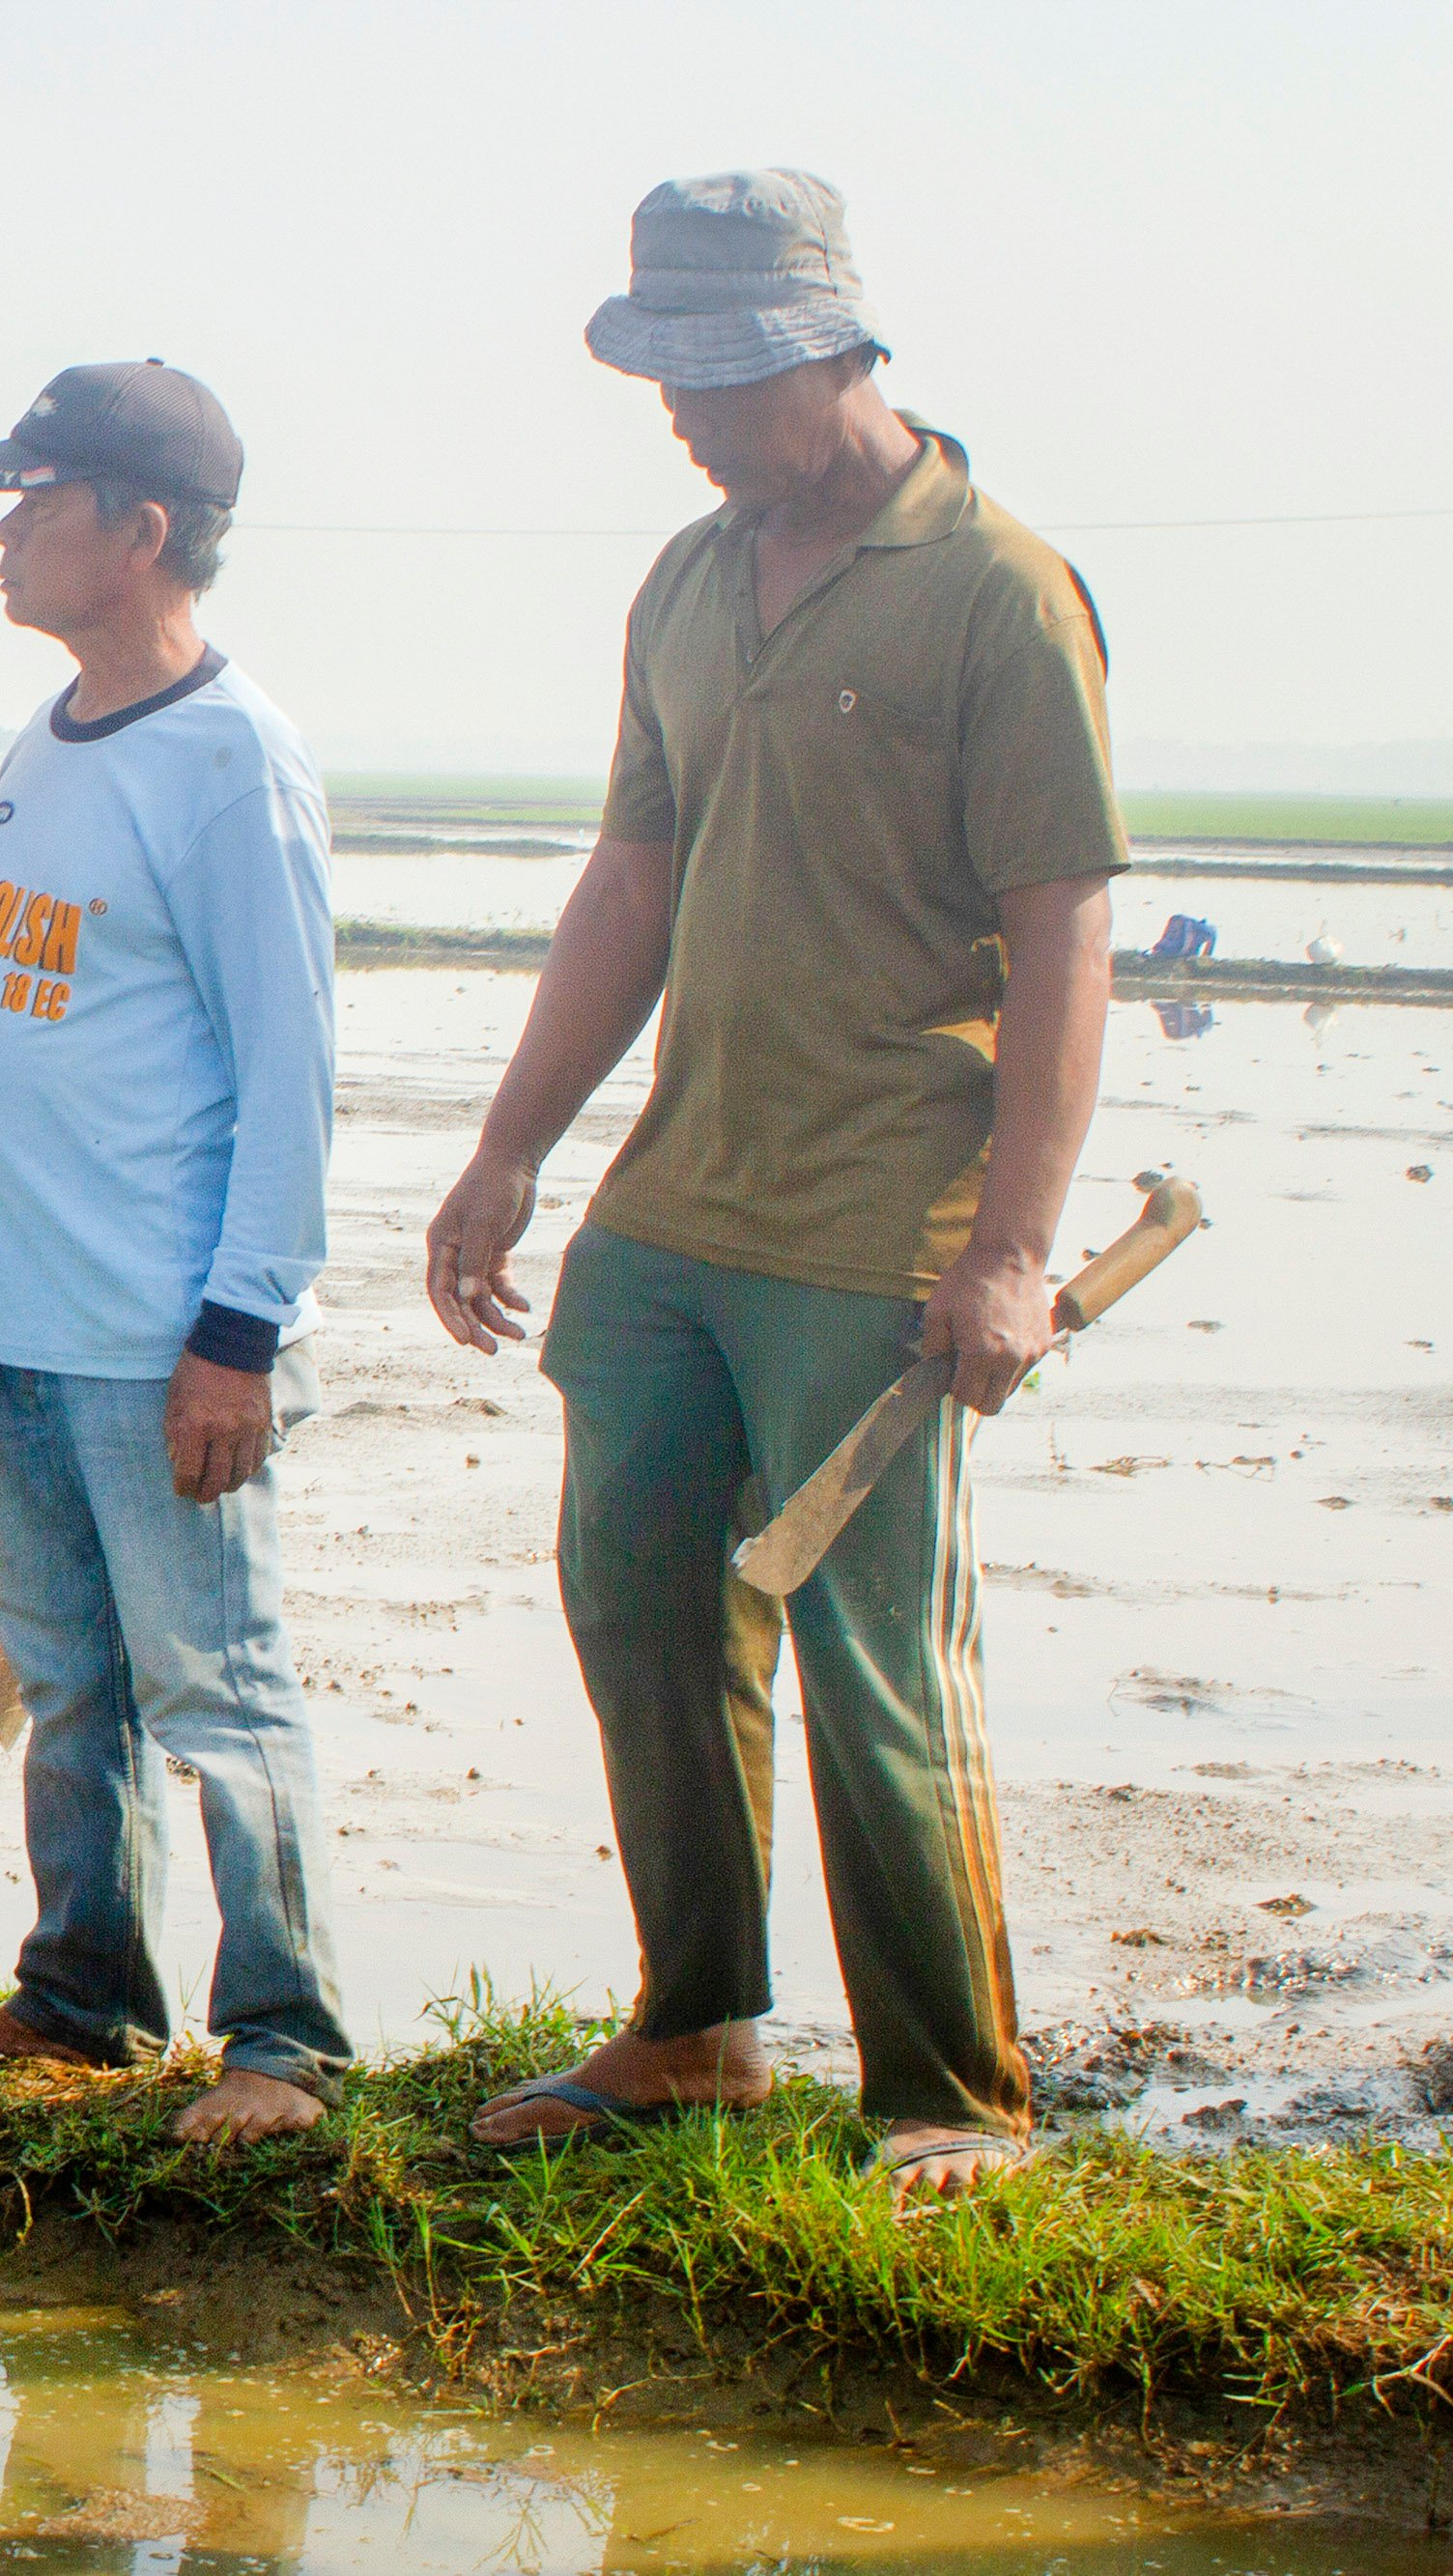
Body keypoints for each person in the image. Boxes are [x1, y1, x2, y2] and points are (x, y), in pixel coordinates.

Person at [422, 172, 1125, 2198]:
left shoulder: (994, 587)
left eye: (706, 372)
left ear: (827, 346)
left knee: (873, 1647)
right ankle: (695, 2024)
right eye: (655, 372)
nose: (676, 413)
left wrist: (1006, 1252)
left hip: (875, 1214)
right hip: (675, 1198)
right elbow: (627, 878)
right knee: (632, 1587)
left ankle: (946, 2088)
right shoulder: (681, 579)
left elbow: (1063, 925)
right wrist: (507, 1143)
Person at [0, 363, 355, 2144]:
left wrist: (236, 1334)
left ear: (141, 531)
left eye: (37, 500)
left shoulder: (232, 762)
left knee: (215, 1686)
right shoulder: (46, 738)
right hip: (21, 1326)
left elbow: (291, 1072)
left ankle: (286, 2038)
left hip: (164, 1337)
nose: (5, 534)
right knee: (66, 1673)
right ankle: (86, 1991)